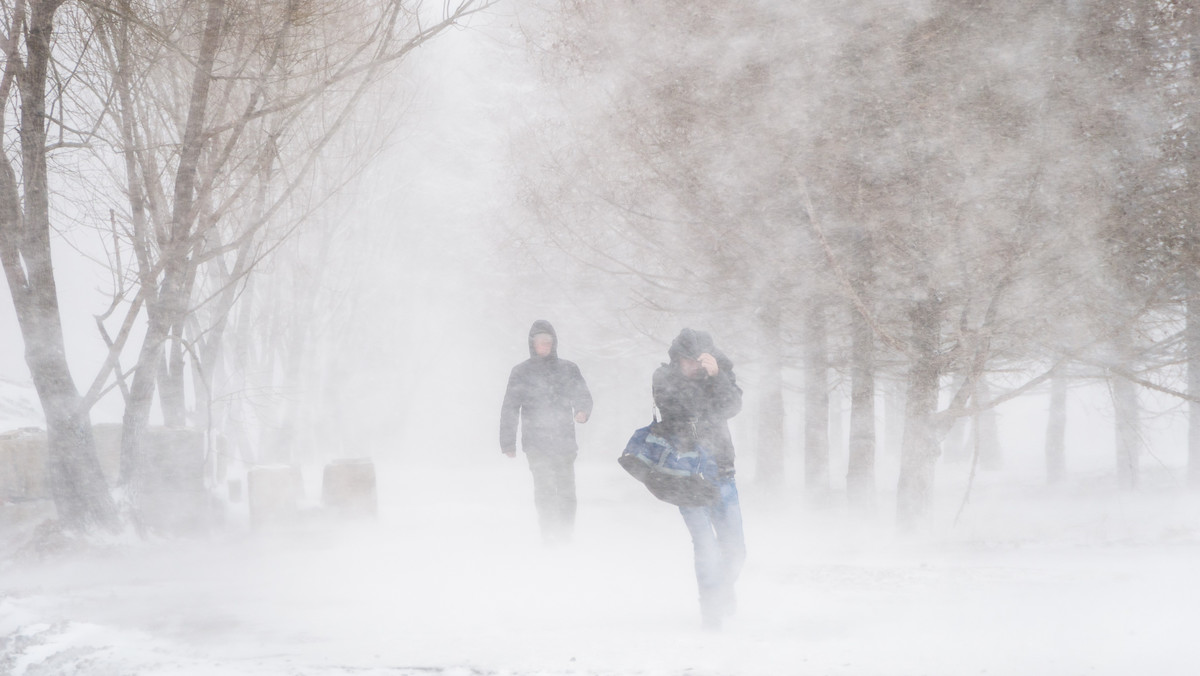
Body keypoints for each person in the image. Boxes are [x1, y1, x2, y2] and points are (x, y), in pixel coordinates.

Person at [653, 328, 745, 630]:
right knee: (706, 546)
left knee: (735, 549)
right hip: (687, 476)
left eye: (699, 360)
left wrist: (717, 375)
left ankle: (723, 591)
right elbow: (679, 410)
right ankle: (711, 612)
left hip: (722, 471)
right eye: (688, 360)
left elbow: (730, 407)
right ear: (677, 359)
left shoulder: (720, 375)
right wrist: (703, 381)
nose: (694, 366)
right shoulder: (664, 378)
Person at [499, 320, 593, 544]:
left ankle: (565, 533)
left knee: (566, 490)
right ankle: (549, 534)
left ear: (554, 343)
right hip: (536, 443)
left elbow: (582, 394)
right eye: (540, 342)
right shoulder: (521, 372)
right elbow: (510, 407)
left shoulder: (568, 369)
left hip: (564, 442)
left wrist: (582, 411)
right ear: (532, 344)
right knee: (545, 489)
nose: (544, 345)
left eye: (548, 341)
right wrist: (507, 443)